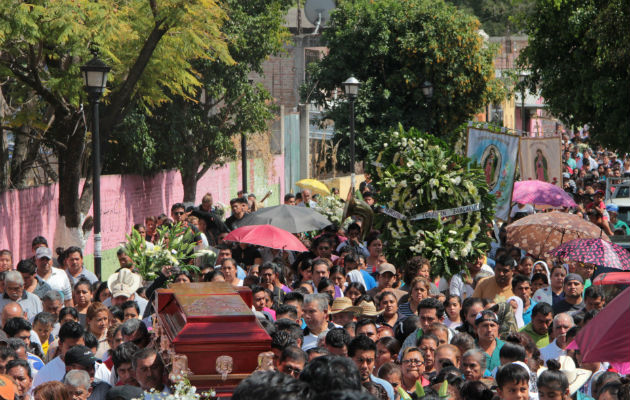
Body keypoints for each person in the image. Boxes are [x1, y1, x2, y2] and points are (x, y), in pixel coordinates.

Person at [348, 335, 394, 400]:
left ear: (375, 360)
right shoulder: (338, 388)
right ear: (349, 360)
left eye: (369, 361)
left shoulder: (385, 388)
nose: (364, 366)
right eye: (360, 360)